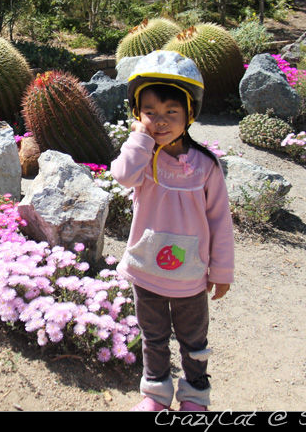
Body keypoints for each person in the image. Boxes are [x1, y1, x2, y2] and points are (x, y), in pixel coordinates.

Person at [110, 51, 234, 412]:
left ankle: (195, 396)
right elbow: (121, 176)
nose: (159, 121)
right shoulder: (143, 158)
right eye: (150, 112)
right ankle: (156, 395)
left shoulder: (206, 166)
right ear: (137, 114)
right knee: (153, 338)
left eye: (171, 113)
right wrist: (139, 138)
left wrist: (222, 271)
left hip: (190, 276)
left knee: (194, 341)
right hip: (146, 272)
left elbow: (220, 222)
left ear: (189, 114)